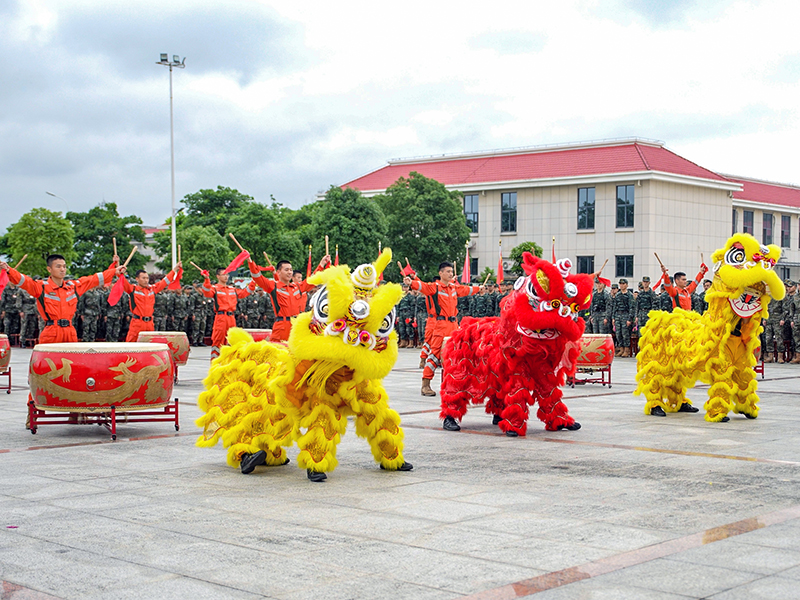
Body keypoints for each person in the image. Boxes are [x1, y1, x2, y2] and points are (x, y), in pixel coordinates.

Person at [0, 254, 123, 344]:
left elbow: (94, 279)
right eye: (58, 266)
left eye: (64, 266)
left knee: (70, 370)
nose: (62, 269)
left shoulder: (73, 287)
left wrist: (114, 271)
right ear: (49, 269)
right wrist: (9, 270)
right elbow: (24, 281)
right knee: (49, 370)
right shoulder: (41, 287)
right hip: (51, 332)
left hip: (69, 332)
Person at [404, 262, 482, 397]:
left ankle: (452, 384)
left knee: (455, 356)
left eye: (451, 271)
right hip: (441, 325)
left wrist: (478, 288)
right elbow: (422, 286)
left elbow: (465, 290)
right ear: (441, 273)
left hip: (454, 325)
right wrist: (411, 283)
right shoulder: (435, 287)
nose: (451, 274)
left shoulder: (453, 288)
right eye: (448, 271)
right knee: (434, 355)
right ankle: (426, 384)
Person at [246, 254, 330, 343]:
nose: (290, 272)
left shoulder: (297, 287)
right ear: (278, 272)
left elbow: (312, 280)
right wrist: (250, 262)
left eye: (291, 270)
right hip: (281, 327)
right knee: (279, 352)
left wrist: (322, 264)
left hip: (296, 325)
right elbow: (257, 277)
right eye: (286, 270)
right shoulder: (273, 286)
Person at [202, 266, 254, 359]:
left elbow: (245, 293)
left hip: (231, 318)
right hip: (221, 318)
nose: (226, 276)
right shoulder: (215, 288)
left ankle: (229, 363)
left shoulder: (232, 289)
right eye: (224, 274)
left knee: (232, 341)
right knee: (218, 341)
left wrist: (254, 281)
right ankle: (215, 363)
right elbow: (206, 292)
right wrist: (206, 280)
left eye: (227, 274)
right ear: (218, 276)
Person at [122, 265, 181, 342]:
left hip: (150, 323)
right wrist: (118, 269)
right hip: (137, 322)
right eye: (143, 278)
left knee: (149, 346)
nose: (146, 280)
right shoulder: (132, 289)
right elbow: (122, 281)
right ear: (137, 279)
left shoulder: (152, 289)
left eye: (147, 278)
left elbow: (164, 281)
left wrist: (174, 270)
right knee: (132, 345)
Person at [613, 279, 634, 357]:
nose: (621, 285)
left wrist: (629, 319)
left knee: (625, 333)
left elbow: (632, 307)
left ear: (627, 285)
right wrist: (613, 318)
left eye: (623, 284)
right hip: (618, 315)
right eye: (620, 284)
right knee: (618, 333)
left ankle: (626, 349)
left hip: (626, 315)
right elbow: (615, 307)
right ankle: (621, 348)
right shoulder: (618, 295)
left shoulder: (629, 295)